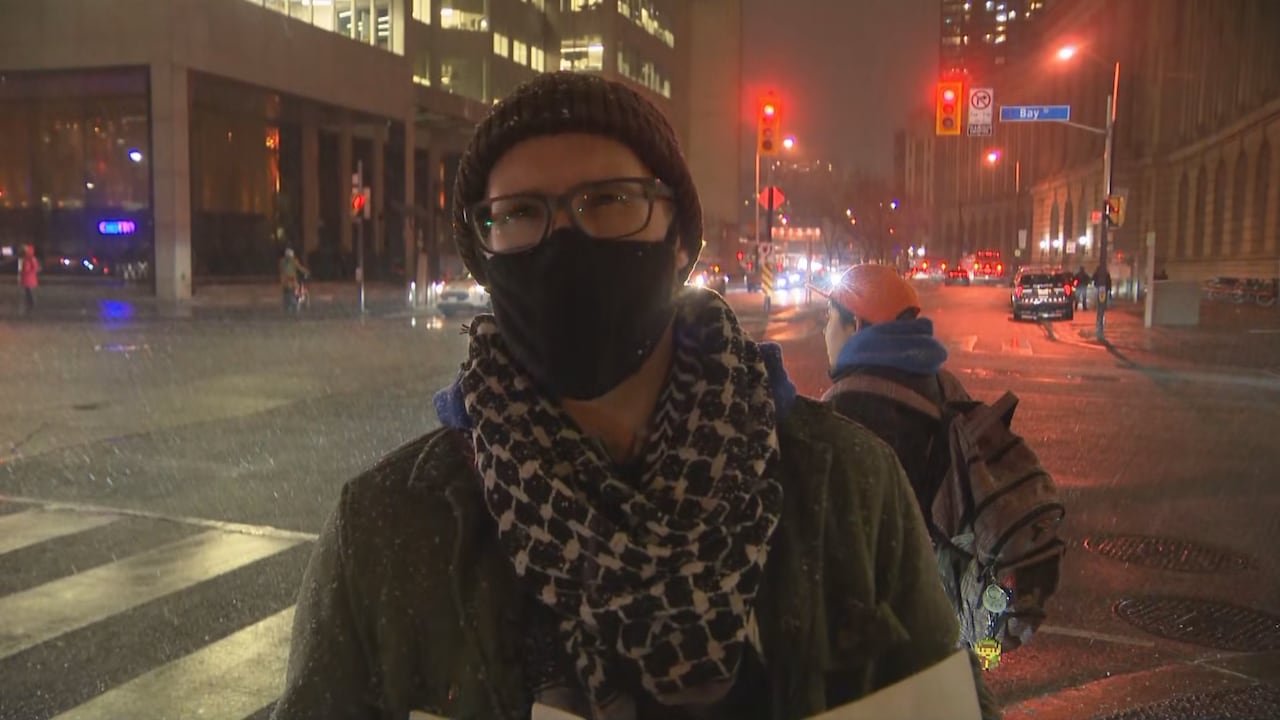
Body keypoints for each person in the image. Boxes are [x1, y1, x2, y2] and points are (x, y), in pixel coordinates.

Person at [274, 73, 997, 720]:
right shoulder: (388, 527)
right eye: (521, 213)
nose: (565, 243)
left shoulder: (848, 486)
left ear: (679, 237)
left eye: (609, 201)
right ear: (485, 252)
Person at [818, 264, 1061, 660]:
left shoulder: (848, 407)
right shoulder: (940, 383)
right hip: (948, 626)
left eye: (828, 319)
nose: (823, 332)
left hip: (893, 644)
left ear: (856, 326)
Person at [279, 248, 310, 312]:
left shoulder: (282, 261)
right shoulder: (293, 261)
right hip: (291, 280)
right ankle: (293, 305)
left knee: (286, 293)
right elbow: (300, 268)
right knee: (294, 292)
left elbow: (281, 269)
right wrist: (306, 272)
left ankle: (287, 306)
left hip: (285, 280)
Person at [17, 243, 40, 314]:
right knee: (26, 294)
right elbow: (20, 270)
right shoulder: (22, 259)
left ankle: (32, 307)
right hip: (25, 280)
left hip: (30, 280)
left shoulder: (32, 259)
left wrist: (28, 271)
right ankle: (27, 307)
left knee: (31, 294)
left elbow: (36, 268)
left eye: (24, 250)